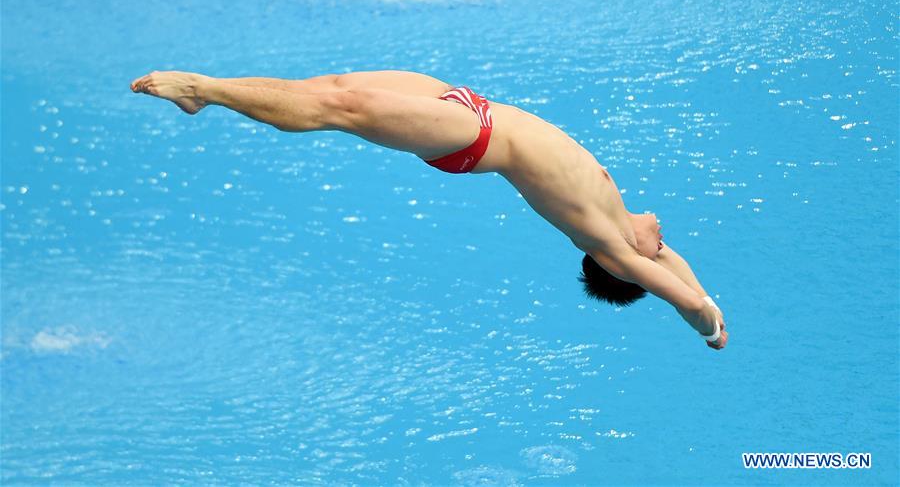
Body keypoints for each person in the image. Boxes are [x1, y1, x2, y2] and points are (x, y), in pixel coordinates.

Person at [130, 69, 728, 350]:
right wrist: (713, 305)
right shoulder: (624, 228)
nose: (666, 237)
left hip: (472, 135)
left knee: (343, 109)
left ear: (629, 268)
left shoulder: (612, 244)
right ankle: (210, 95)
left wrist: (705, 323)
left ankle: (201, 89)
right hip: (468, 105)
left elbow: (680, 293)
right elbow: (678, 268)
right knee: (326, 87)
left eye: (661, 249)